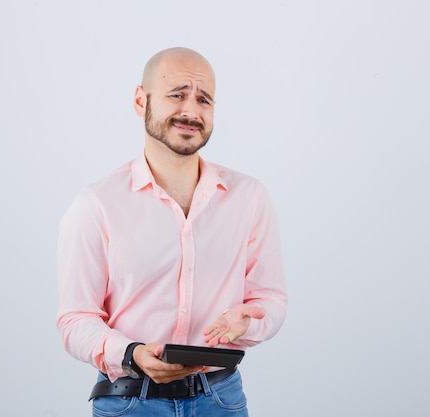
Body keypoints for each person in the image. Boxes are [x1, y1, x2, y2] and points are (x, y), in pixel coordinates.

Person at [56, 46, 287, 417]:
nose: (191, 111)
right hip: (130, 401)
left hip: (221, 399)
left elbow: (271, 300)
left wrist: (249, 321)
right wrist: (130, 353)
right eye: (177, 94)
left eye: (203, 99)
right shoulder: (96, 204)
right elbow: (75, 318)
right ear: (140, 100)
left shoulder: (249, 197)